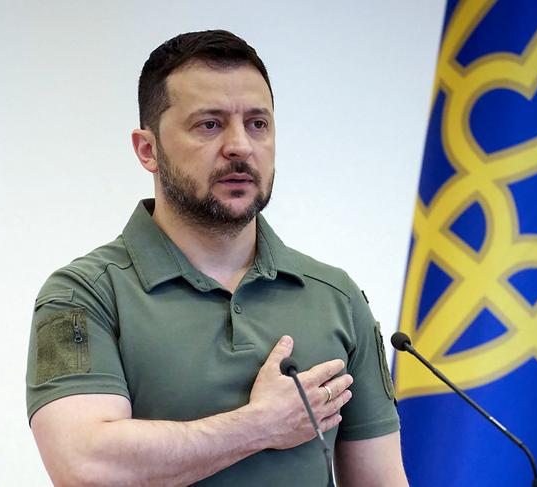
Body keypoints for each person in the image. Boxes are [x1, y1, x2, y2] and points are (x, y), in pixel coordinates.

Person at [26, 30, 408, 486]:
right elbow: (86, 469)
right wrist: (260, 425)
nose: (240, 146)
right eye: (209, 124)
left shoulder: (335, 296)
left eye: (257, 124)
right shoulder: (83, 295)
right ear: (147, 149)